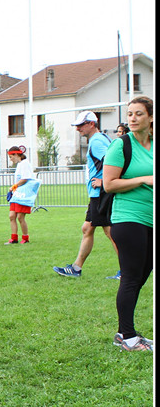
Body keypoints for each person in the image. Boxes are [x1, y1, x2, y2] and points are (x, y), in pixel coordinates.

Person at [103, 96, 153, 352]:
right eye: (130, 114)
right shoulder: (121, 145)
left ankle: (127, 333)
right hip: (128, 218)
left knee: (142, 274)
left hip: (150, 219)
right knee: (131, 277)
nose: (132, 118)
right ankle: (127, 336)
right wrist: (144, 179)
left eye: (139, 114)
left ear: (151, 118)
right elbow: (109, 184)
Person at [52, 111, 118, 278]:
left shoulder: (96, 141)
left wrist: (104, 181)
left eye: (81, 125)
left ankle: (128, 271)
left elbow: (112, 161)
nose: (78, 129)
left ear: (91, 124)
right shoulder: (100, 138)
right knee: (87, 228)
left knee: (111, 232)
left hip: (100, 194)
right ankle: (76, 268)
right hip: (97, 194)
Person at [4, 145, 35, 244]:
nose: (11, 159)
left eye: (11, 157)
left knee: (20, 217)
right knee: (12, 216)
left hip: (23, 194)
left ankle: (25, 238)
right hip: (17, 194)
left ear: (16, 155)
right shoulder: (20, 164)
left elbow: (25, 178)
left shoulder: (25, 164)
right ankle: (14, 238)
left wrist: (14, 186)